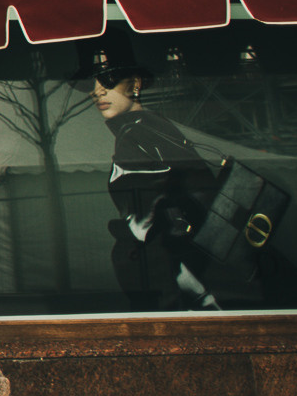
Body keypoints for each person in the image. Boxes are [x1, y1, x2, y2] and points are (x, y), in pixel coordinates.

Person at [88, 55, 220, 310]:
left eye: (108, 79)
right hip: (178, 280)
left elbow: (163, 222)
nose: (97, 92)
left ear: (135, 84)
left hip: (169, 284)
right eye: (91, 85)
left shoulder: (140, 133)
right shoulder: (144, 129)